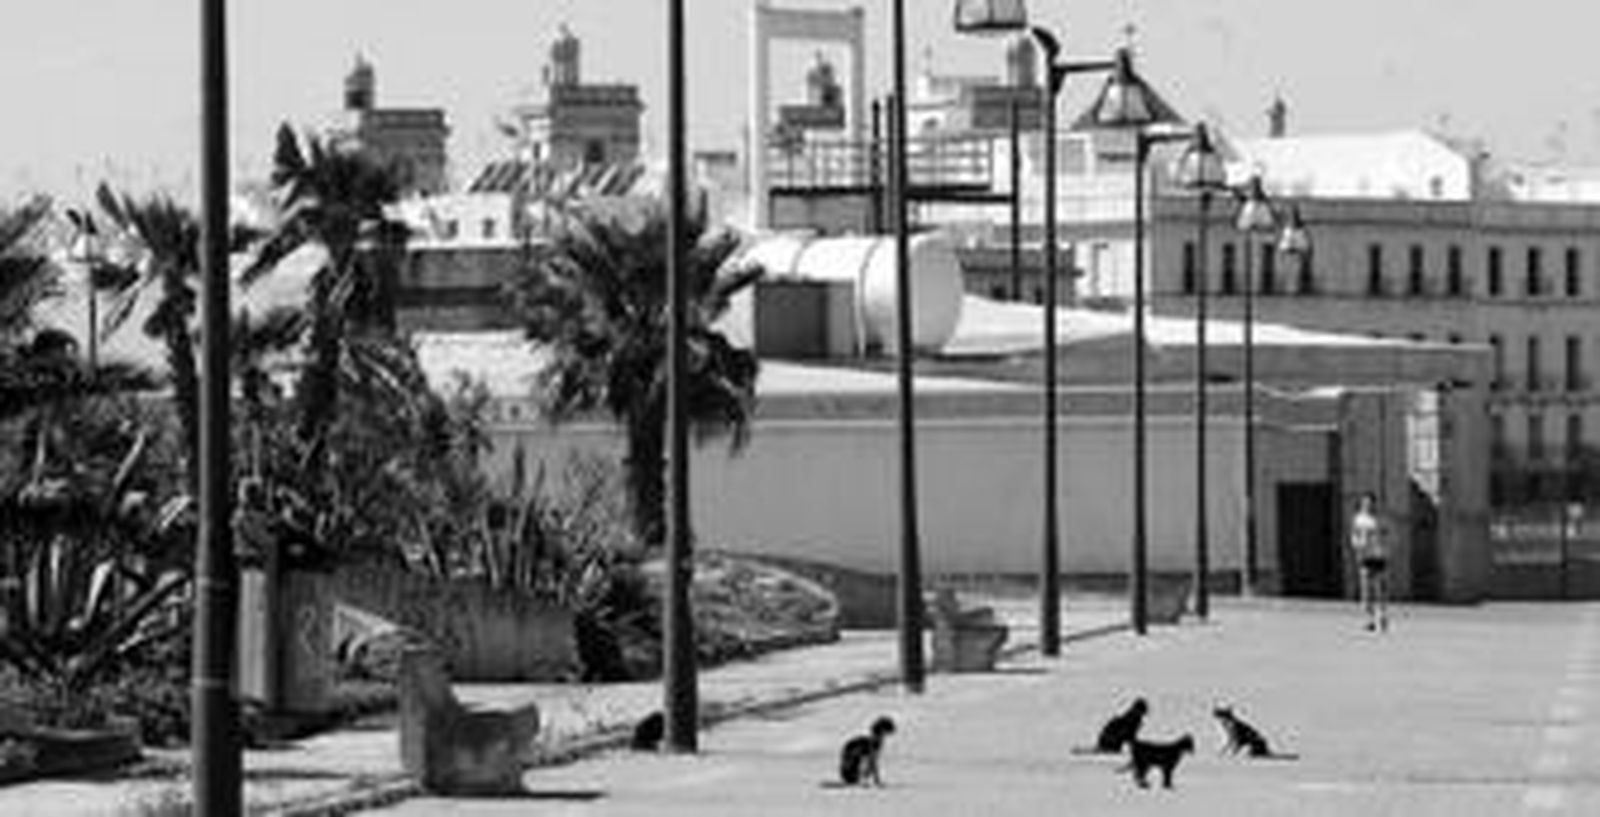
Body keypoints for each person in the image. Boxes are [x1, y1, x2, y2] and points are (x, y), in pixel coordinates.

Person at [1349, 492, 1389, 632]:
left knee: (1380, 589)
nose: (1368, 505)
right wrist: (1357, 544)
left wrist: (1383, 545)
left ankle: (1382, 616)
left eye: (1370, 502)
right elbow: (1354, 535)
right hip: (1365, 557)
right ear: (1362, 504)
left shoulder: (1380, 518)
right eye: (1365, 502)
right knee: (1366, 590)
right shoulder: (1359, 519)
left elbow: (1387, 534)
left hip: (1379, 556)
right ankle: (1369, 620)